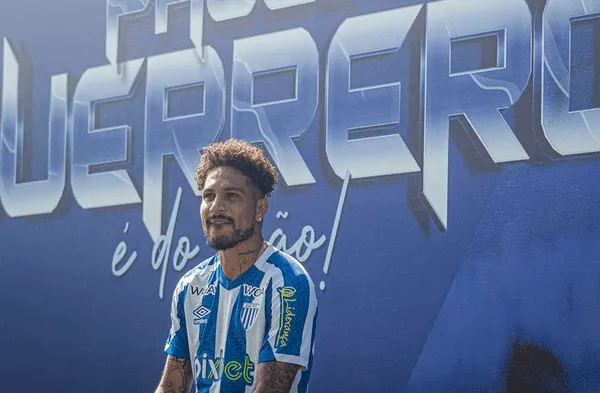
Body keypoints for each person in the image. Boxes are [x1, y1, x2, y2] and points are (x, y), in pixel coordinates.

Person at [155, 139, 318, 393]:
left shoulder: (287, 282)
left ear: (260, 209)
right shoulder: (190, 287)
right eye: (208, 196)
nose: (216, 207)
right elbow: (170, 387)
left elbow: (271, 389)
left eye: (231, 196)